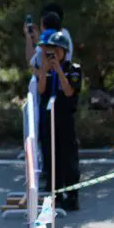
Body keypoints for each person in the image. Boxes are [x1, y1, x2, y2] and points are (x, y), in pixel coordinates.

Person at [35, 31, 82, 211]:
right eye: (50, 50)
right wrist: (45, 70)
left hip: (65, 119)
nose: (53, 54)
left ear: (64, 51)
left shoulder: (73, 69)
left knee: (68, 159)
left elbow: (69, 92)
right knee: (50, 158)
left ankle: (72, 196)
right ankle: (56, 195)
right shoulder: (47, 69)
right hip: (49, 120)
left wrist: (59, 71)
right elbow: (41, 90)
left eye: (56, 50)